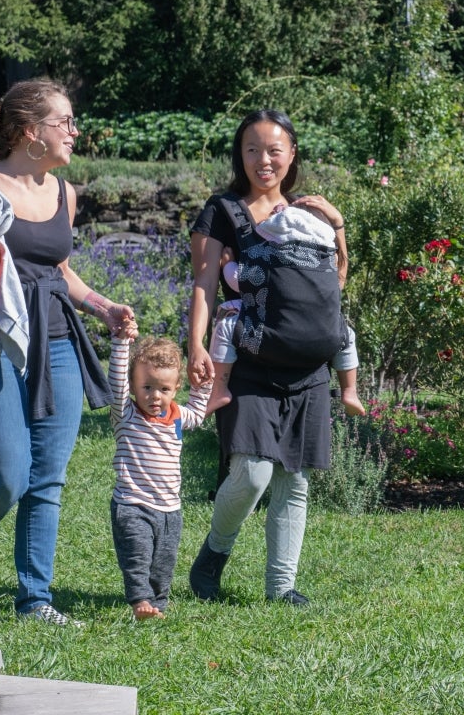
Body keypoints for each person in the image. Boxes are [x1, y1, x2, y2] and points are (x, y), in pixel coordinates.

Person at [0, 78, 134, 626]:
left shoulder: (65, 194)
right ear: (32, 132)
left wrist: (103, 308)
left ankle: (36, 599)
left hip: (56, 339)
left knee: (47, 478)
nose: (75, 132)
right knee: (7, 473)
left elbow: (57, 270)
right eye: (66, 123)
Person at [184, 110, 348, 607]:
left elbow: (333, 287)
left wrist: (338, 227)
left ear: (292, 154)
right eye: (252, 149)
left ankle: (281, 587)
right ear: (241, 154)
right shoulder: (222, 210)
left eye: (274, 150)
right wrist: (196, 343)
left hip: (304, 362)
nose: (263, 160)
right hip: (247, 357)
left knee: (293, 479)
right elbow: (205, 282)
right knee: (252, 470)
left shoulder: (309, 215)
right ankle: (215, 551)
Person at [205, 203, 363, 416]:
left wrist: (227, 265)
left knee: (227, 324)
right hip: (324, 344)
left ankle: (219, 390)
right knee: (347, 335)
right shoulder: (327, 262)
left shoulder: (270, 257)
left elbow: (237, 281)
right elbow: (337, 286)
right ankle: (350, 391)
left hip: (274, 341)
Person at [106, 321, 210, 621]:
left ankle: (158, 604)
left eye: (164, 389)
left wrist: (204, 384)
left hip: (170, 509)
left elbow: (199, 412)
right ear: (133, 386)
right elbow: (116, 385)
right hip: (132, 503)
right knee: (138, 556)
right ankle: (140, 601)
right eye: (146, 387)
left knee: (164, 561)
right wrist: (121, 343)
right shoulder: (125, 414)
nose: (155, 396)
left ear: (176, 388)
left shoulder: (178, 415)